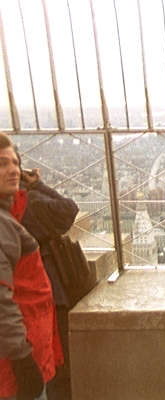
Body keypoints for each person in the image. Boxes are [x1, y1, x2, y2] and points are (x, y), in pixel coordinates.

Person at [0, 132, 63, 400]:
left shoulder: (8, 215)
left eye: (15, 162)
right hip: (14, 367)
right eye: (2, 164)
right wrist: (23, 360)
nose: (13, 170)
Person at [12, 158, 78, 400]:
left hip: (26, 307)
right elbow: (68, 210)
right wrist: (38, 186)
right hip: (44, 299)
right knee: (53, 374)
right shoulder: (31, 205)